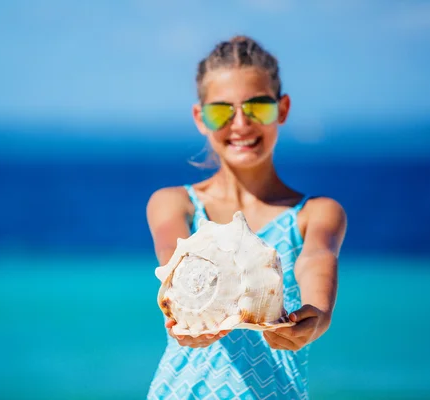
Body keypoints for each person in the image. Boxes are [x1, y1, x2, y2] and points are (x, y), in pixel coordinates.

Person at [145, 35, 348, 399]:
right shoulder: (175, 204)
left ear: (282, 109)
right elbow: (173, 264)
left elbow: (317, 258)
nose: (240, 124)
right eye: (221, 111)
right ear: (200, 118)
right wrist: (179, 313)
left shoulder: (316, 213)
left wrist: (316, 315)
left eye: (258, 107)